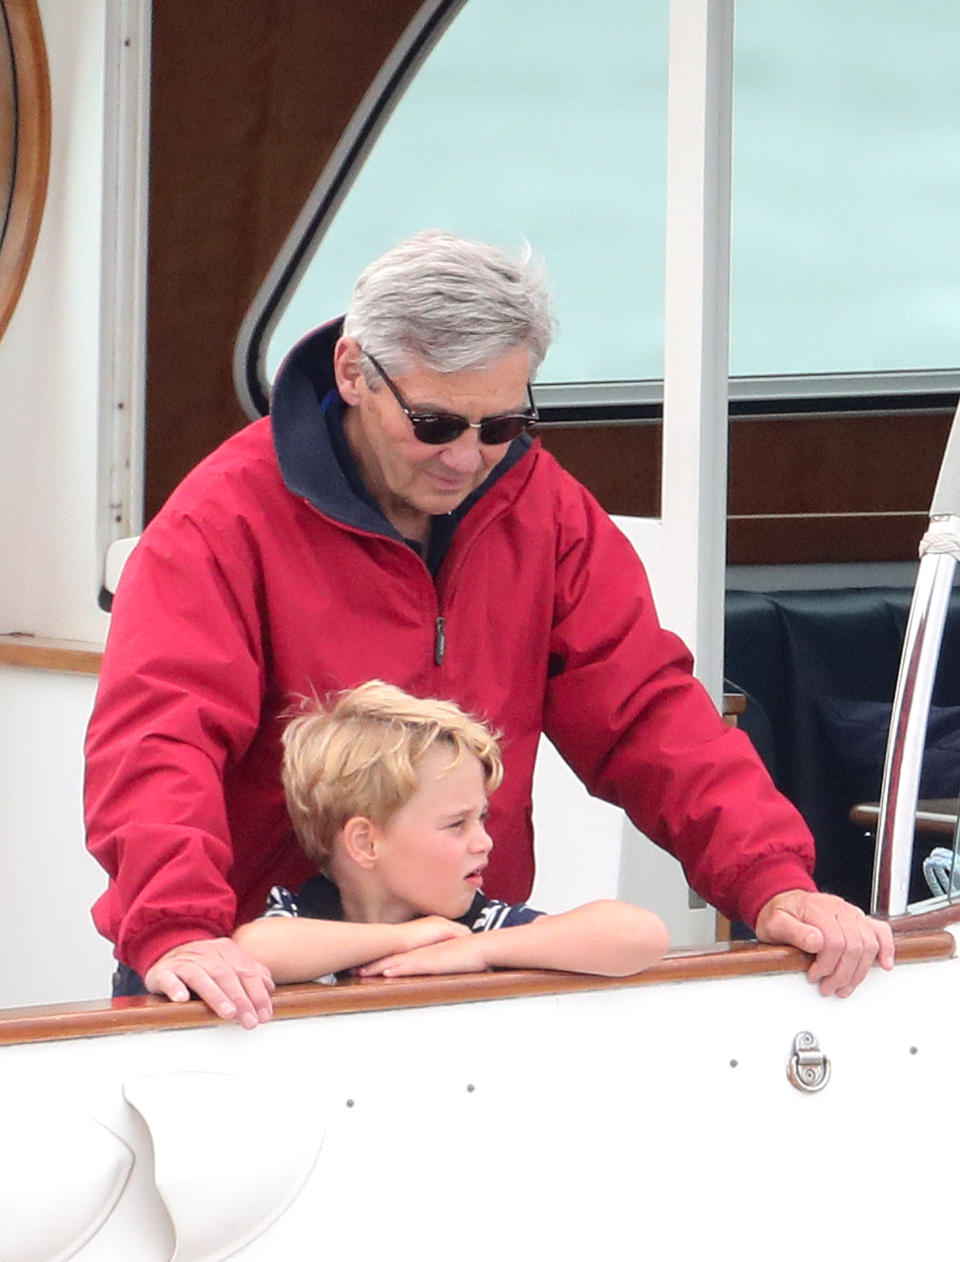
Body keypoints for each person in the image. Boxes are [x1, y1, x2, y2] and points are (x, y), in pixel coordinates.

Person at [84, 230, 894, 1028]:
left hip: (472, 971)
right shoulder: (218, 520)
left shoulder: (546, 510)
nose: (467, 459)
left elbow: (647, 713)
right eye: (435, 424)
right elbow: (159, 738)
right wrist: (176, 928)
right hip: (244, 977)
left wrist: (771, 880)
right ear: (354, 372)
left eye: (501, 425)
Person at [233, 682, 669, 983]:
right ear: (365, 843)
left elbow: (639, 935)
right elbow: (256, 950)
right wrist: (403, 939)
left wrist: (479, 951)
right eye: (456, 824)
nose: (484, 841)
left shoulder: (477, 927)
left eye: (481, 818)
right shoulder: (304, 914)